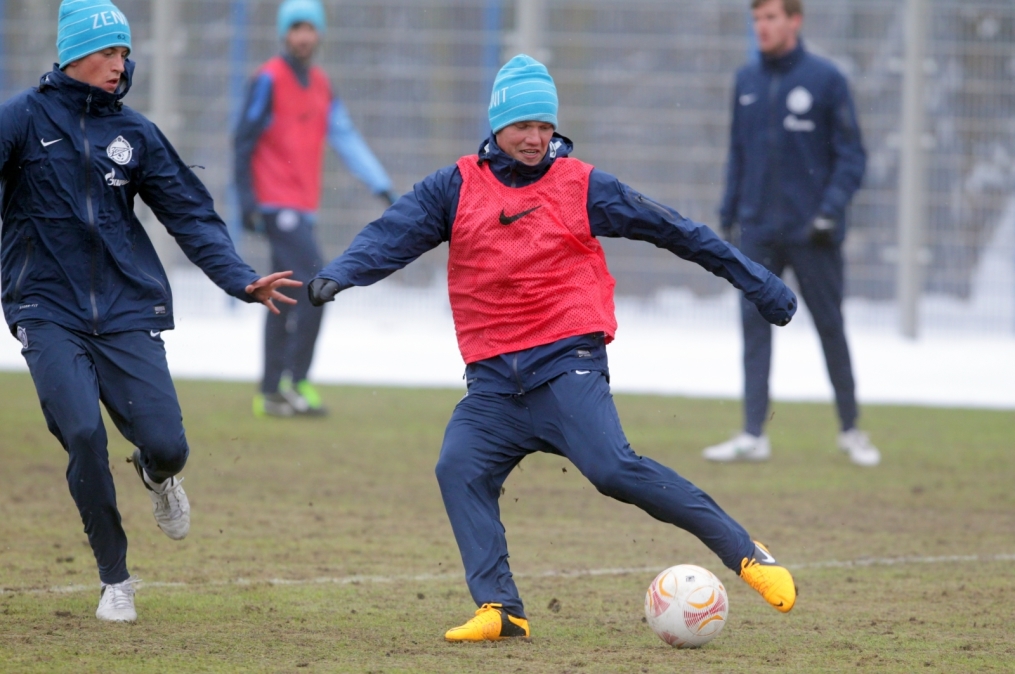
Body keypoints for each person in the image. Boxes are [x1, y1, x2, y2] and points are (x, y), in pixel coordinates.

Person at [308, 54, 800, 642]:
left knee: (613, 468)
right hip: (493, 384)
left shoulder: (582, 185)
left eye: (545, 125)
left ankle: (746, 553)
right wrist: (339, 273)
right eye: (523, 126)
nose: (536, 138)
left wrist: (758, 281)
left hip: (567, 364)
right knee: (458, 466)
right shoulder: (456, 186)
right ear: (497, 125)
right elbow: (391, 234)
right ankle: (501, 609)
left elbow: (677, 230)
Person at [0, 0, 301, 622]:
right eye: (108, 52)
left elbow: (190, 214)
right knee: (81, 433)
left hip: (125, 307)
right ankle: (116, 579)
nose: (120, 64)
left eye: (124, 52)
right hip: (44, 306)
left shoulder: (133, 132)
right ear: (73, 55)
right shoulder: (20, 120)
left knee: (169, 443)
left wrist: (241, 280)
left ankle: (158, 473)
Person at [704, 0, 880, 467]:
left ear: (794, 21)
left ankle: (851, 429)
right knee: (752, 328)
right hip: (758, 229)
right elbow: (738, 153)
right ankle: (752, 434)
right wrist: (729, 213)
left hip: (813, 233)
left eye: (771, 18)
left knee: (830, 326)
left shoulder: (826, 79)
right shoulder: (746, 81)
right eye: (757, 19)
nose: (762, 27)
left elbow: (852, 156)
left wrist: (829, 211)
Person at [234, 0, 397, 418]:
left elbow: (346, 137)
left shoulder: (322, 85)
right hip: (274, 203)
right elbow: (243, 139)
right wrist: (247, 200)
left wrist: (382, 187)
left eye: (310, 28)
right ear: (284, 34)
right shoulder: (268, 79)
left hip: (303, 207)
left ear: (319, 34)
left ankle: (270, 391)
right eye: (296, 28)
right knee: (316, 283)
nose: (303, 36)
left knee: (282, 292)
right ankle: (296, 380)